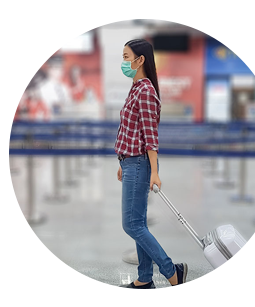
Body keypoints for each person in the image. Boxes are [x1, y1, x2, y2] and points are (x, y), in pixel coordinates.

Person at [115, 39, 188, 289]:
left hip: (139, 164)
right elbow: (130, 129)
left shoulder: (145, 91)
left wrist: (154, 172)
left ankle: (173, 272)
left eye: (126, 57)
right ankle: (144, 279)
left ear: (140, 60)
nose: (124, 62)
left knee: (131, 224)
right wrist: (122, 160)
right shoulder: (136, 88)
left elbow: (150, 135)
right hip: (130, 162)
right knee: (138, 223)